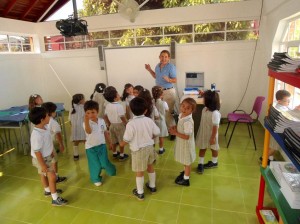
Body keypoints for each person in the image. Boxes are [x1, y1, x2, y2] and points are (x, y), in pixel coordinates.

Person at [120, 97, 160, 200]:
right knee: (150, 166)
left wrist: (121, 144)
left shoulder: (131, 123)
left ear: (131, 110)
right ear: (146, 110)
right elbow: (157, 132)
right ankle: (152, 186)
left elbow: (127, 139)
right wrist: (150, 137)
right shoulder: (149, 120)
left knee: (139, 171)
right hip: (150, 148)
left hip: (138, 151)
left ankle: (140, 192)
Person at [28, 107, 68, 206]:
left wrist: (50, 152)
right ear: (42, 119)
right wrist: (43, 166)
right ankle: (55, 199)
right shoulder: (36, 135)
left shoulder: (44, 128)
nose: (49, 117)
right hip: (41, 159)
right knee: (52, 177)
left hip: (46, 157)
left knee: (43, 174)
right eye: (47, 116)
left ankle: (47, 191)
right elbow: (37, 152)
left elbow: (46, 143)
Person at [260, 89, 300, 164]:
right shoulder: (279, 108)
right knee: (273, 148)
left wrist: (295, 109)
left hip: (277, 130)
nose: (288, 103)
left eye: (289, 101)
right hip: (278, 132)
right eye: (287, 101)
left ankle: (268, 158)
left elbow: (288, 112)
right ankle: (263, 158)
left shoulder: (283, 106)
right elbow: (286, 115)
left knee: (271, 147)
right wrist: (295, 111)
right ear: (279, 101)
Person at [145, 50, 177, 140]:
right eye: (162, 56)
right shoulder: (157, 66)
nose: (164, 58)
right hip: (158, 93)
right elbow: (156, 76)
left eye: (166, 57)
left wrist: (169, 80)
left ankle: (173, 131)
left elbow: (175, 80)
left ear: (169, 58)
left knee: (168, 113)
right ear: (159, 57)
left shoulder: (171, 67)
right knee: (159, 111)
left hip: (168, 92)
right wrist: (149, 69)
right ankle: (165, 129)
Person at [83, 100, 116, 186]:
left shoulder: (101, 121)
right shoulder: (85, 123)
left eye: (93, 112)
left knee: (104, 162)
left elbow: (105, 132)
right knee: (95, 164)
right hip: (90, 148)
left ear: (97, 111)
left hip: (102, 146)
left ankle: (112, 169)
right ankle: (96, 178)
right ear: (85, 114)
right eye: (88, 113)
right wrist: (86, 121)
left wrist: (110, 142)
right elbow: (88, 131)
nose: (91, 115)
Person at [169, 97, 197, 186]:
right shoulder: (181, 115)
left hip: (186, 144)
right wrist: (175, 128)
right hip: (182, 143)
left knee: (187, 162)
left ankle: (186, 179)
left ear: (192, 110)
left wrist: (175, 132)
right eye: (183, 106)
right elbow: (180, 127)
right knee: (184, 161)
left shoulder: (188, 121)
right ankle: (185, 172)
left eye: (188, 108)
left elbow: (186, 137)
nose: (184, 109)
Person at [195, 90, 221, 174]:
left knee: (214, 148)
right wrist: (204, 94)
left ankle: (214, 162)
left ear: (209, 101)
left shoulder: (215, 113)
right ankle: (200, 163)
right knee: (202, 147)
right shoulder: (204, 109)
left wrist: (212, 138)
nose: (203, 100)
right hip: (204, 132)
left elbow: (215, 126)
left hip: (211, 134)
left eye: (204, 99)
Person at [42, 102, 67, 183]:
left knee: (48, 163)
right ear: (50, 112)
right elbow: (58, 134)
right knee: (54, 161)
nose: (55, 113)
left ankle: (50, 178)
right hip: (51, 146)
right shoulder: (53, 122)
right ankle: (55, 177)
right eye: (54, 111)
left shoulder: (41, 121)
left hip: (44, 146)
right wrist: (61, 144)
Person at [103, 86, 129, 161]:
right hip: (119, 125)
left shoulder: (108, 105)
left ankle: (114, 153)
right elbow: (122, 117)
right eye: (118, 94)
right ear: (115, 98)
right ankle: (121, 155)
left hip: (112, 125)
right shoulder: (119, 106)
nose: (119, 95)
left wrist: (109, 124)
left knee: (113, 140)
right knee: (121, 140)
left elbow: (105, 116)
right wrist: (126, 123)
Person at [152, 86, 169, 155]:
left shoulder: (152, 102)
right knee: (161, 136)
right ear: (162, 94)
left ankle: (152, 150)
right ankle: (161, 149)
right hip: (161, 122)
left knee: (153, 137)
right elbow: (167, 110)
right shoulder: (164, 103)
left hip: (153, 122)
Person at [70, 94, 86, 161]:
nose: (84, 100)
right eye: (83, 99)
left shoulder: (72, 107)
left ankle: (75, 155)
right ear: (80, 101)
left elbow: (70, 119)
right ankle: (89, 153)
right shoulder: (83, 107)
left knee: (76, 141)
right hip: (82, 127)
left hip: (74, 127)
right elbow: (85, 118)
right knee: (85, 140)